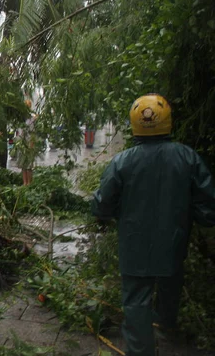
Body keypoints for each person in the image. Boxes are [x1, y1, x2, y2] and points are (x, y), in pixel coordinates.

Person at [92, 94, 215, 356]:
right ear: (168, 120)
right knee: (171, 283)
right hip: (174, 240)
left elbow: (102, 203)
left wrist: (109, 215)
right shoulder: (187, 157)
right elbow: (207, 203)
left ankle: (141, 350)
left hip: (134, 243)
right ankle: (166, 327)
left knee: (136, 298)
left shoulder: (122, 162)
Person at [11, 99, 38, 185]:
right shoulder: (20, 118)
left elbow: (33, 132)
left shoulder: (32, 119)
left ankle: (29, 182)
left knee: (29, 165)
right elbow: (17, 131)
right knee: (23, 164)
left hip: (28, 142)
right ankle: (24, 182)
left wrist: (32, 144)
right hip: (21, 143)